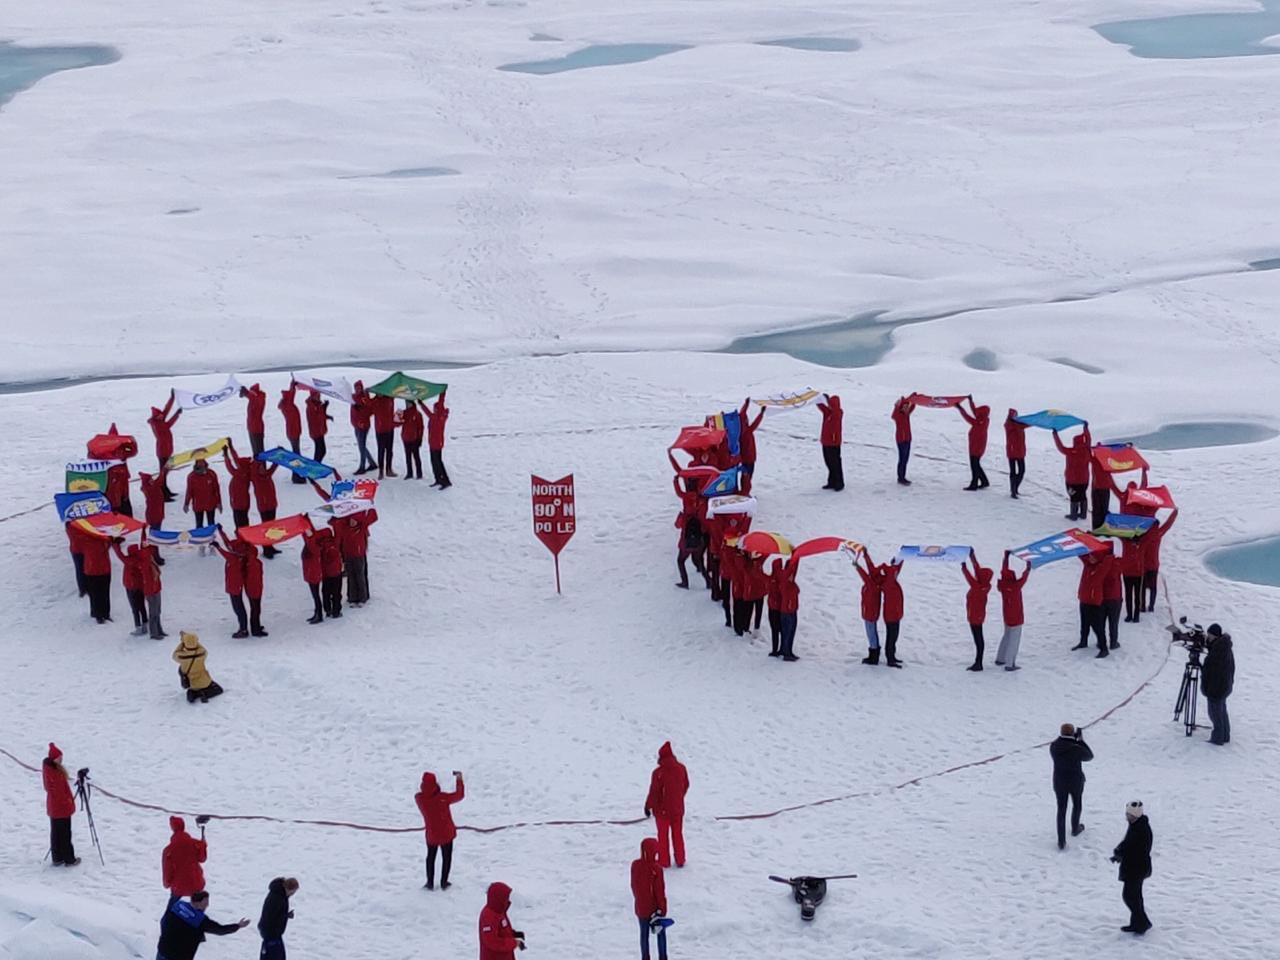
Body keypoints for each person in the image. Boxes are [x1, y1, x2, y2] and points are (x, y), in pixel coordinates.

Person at [156, 891, 249, 960]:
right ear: (197, 903)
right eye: (205, 903)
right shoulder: (200, 920)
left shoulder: (177, 906)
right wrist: (238, 926)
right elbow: (220, 930)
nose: (207, 906)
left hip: (162, 951)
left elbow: (163, 921)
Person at [415, 771, 464, 889]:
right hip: (446, 834)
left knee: (430, 858)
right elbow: (459, 795)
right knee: (446, 858)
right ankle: (444, 882)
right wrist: (459, 779)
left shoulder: (419, 798)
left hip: (431, 834)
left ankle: (429, 882)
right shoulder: (443, 798)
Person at [645, 742, 690, 869]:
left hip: (662, 811)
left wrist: (648, 806)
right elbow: (686, 785)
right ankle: (680, 859)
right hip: (678, 809)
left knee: (663, 836)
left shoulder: (658, 773)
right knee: (678, 834)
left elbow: (654, 792)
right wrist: (679, 797)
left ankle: (664, 861)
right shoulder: (682, 768)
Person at [1110, 802, 1153, 935]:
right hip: (1138, 867)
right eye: (1126, 814)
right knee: (1135, 896)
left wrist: (1119, 853)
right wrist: (1119, 854)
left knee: (1129, 896)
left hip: (1136, 869)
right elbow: (1128, 844)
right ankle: (1137, 923)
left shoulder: (1139, 829)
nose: (1127, 817)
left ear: (1135, 815)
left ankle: (1143, 922)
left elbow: (1131, 847)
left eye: (1129, 815)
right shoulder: (1137, 825)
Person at [1049, 723, 1093, 850]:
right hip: (1075, 781)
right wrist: (1080, 740)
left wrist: (1071, 739)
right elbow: (1089, 756)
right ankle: (1075, 828)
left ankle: (1061, 841)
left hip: (1059, 782)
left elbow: (1060, 741)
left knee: (1061, 809)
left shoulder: (1054, 746)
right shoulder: (1076, 748)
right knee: (1077, 804)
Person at [212, 527, 256, 638]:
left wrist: (217, 545)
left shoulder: (234, 557)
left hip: (235, 585)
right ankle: (243, 627)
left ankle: (243, 628)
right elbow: (227, 544)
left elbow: (225, 550)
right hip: (235, 584)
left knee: (238, 607)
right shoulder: (242, 550)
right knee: (238, 606)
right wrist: (221, 532)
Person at [630, 838, 668, 960]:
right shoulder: (656, 869)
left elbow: (634, 885)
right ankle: (663, 957)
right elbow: (659, 891)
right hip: (654, 910)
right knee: (660, 934)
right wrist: (662, 909)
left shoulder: (635, 865)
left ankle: (645, 957)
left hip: (641, 908)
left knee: (643, 935)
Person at [43, 743, 78, 867]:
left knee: (56, 833)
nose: (61, 759)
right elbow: (59, 792)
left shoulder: (50, 770)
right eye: (59, 758)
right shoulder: (54, 773)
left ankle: (57, 857)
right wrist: (67, 802)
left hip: (54, 808)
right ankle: (69, 858)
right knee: (65, 834)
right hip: (61, 808)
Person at [333, 509, 377, 607]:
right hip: (348, 555)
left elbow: (373, 517)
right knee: (351, 577)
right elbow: (333, 522)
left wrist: (370, 506)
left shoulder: (362, 527)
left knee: (359, 576)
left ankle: (362, 597)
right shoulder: (345, 528)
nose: (353, 522)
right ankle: (352, 598)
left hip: (359, 555)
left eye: (355, 520)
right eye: (351, 520)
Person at [995, 551, 1030, 671]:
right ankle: (1010, 663)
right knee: (1014, 641)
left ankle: (1000, 658)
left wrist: (1006, 557)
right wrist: (1028, 567)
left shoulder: (1003, 585)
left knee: (1006, 636)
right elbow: (1024, 577)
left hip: (1007, 615)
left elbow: (1003, 570)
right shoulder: (1016, 586)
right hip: (1016, 616)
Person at [1201, 624, 1235, 745]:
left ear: (1214, 636)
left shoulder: (1218, 651)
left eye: (1209, 635)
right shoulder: (1224, 647)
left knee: (1215, 713)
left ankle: (1217, 738)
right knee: (1222, 711)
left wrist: (1209, 687)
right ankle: (1225, 735)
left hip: (1217, 688)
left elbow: (1212, 669)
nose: (1208, 638)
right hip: (1224, 686)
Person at [1141, 508, 1178, 612]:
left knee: (1142, 587)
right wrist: (1174, 513)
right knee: (1153, 587)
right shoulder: (1159, 533)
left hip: (1143, 565)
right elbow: (1168, 524)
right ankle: (1151, 606)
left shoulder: (1143, 535)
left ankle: (1142, 606)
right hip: (1154, 564)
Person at [961, 550, 992, 671]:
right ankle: (978, 661)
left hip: (975, 617)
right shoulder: (985, 584)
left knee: (978, 639)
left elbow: (969, 576)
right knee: (979, 639)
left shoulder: (977, 586)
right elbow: (977, 569)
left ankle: (978, 662)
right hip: (978, 615)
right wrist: (972, 556)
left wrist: (964, 567)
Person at [162, 817, 208, 900]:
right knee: (198, 908)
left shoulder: (168, 850)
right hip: (196, 884)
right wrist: (203, 844)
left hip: (178, 887)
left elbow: (167, 871)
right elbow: (202, 858)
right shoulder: (194, 843)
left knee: (171, 910)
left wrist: (167, 884)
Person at [148, 390, 182, 499]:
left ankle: (165, 490)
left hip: (167, 450)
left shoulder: (160, 420)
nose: (161, 417)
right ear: (155, 417)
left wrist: (172, 398)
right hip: (162, 452)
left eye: (161, 416)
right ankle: (162, 492)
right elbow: (169, 424)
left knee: (165, 472)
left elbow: (167, 409)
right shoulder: (157, 425)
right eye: (159, 416)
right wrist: (176, 414)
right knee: (163, 473)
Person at [1073, 553, 1108, 657]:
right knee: (1084, 624)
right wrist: (1078, 545)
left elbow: (1107, 561)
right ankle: (1083, 642)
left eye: (1094, 557)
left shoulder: (1101, 568)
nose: (1091, 558)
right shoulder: (1087, 565)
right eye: (1090, 557)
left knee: (1097, 626)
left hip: (1094, 602)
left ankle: (1103, 648)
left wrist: (1108, 554)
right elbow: (1081, 555)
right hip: (1084, 599)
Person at [1053, 424, 1091, 520]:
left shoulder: (1070, 451)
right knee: (1083, 495)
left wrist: (1055, 434)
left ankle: (1073, 515)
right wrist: (1085, 428)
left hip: (1072, 481)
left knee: (1073, 496)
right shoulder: (1087, 450)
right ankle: (1083, 514)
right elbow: (1088, 439)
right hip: (1084, 480)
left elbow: (1060, 446)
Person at [173, 632, 224, 703]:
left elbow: (174, 654)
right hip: (205, 681)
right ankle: (204, 694)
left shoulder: (181, 656)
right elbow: (201, 647)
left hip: (192, 684)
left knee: (192, 687)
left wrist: (183, 642)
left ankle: (193, 694)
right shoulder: (202, 653)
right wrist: (194, 641)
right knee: (219, 689)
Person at [478, 882, 525, 959]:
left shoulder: (500, 911)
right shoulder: (488, 916)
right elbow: (492, 941)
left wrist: (513, 934)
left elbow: (502, 929)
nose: (508, 900)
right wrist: (514, 943)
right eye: (506, 898)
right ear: (499, 898)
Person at [257, 877, 299, 960]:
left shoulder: (281, 895)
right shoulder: (277, 898)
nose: (293, 894)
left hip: (275, 933)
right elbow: (269, 917)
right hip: (271, 934)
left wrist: (286, 915)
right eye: (293, 892)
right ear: (288, 889)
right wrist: (285, 916)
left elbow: (276, 914)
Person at [183, 458, 222, 542]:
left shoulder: (212, 474)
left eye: (203, 465)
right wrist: (186, 503)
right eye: (199, 466)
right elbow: (189, 491)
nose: (201, 468)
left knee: (211, 525)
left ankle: (212, 542)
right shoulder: (191, 477)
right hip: (198, 505)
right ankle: (200, 542)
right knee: (199, 526)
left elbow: (216, 490)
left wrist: (219, 503)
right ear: (196, 465)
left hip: (210, 504)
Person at [854, 550, 883, 665]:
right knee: (871, 633)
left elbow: (865, 575)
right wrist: (866, 556)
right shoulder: (874, 581)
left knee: (871, 634)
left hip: (870, 614)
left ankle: (874, 656)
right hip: (869, 613)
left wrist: (857, 567)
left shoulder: (872, 584)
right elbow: (870, 567)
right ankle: (874, 653)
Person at [248, 459, 281, 558]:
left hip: (272, 505)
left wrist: (278, 455)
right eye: (260, 468)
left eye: (263, 467)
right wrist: (256, 460)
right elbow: (253, 468)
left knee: (271, 528)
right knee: (266, 528)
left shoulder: (268, 475)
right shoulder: (255, 478)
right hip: (264, 507)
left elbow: (275, 465)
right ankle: (266, 549)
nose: (262, 469)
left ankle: (270, 546)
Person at [116, 541, 150, 636]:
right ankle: (145, 624)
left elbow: (119, 554)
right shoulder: (141, 561)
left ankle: (138, 627)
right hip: (140, 586)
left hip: (130, 587)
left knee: (134, 608)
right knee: (142, 606)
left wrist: (115, 544)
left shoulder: (128, 561)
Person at [957, 397, 991, 490]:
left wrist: (961, 409)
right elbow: (975, 411)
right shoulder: (983, 418)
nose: (977, 412)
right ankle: (984, 481)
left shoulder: (980, 421)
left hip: (976, 447)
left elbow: (969, 419)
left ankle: (974, 483)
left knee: (974, 465)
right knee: (976, 464)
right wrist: (970, 401)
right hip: (977, 446)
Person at [81, 530, 113, 623]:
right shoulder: (104, 538)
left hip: (94, 569)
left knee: (96, 593)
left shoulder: (85, 538)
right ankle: (103, 613)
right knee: (103, 592)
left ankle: (99, 613)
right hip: (101, 568)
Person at [736, 397, 766, 494]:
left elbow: (744, 414)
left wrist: (747, 404)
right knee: (747, 476)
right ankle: (745, 492)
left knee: (746, 476)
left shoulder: (743, 431)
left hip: (747, 458)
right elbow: (744, 414)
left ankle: (745, 492)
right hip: (748, 459)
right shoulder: (746, 431)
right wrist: (761, 413)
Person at [880, 557, 905, 667]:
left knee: (894, 637)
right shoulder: (889, 583)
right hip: (891, 616)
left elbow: (896, 570)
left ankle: (892, 656)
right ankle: (890, 659)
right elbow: (894, 571)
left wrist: (902, 559)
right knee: (891, 638)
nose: (896, 574)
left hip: (895, 615)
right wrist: (896, 563)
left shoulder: (891, 580)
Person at [278, 383, 305, 484]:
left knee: (296, 454)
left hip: (293, 432)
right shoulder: (288, 405)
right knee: (296, 455)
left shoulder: (287, 405)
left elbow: (291, 394)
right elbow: (291, 394)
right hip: (293, 432)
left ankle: (297, 475)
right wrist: (292, 385)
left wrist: (292, 385)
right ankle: (296, 476)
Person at [223, 444, 254, 531]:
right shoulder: (248, 473)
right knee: (244, 520)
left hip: (237, 502)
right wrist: (231, 448)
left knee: (239, 521)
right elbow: (235, 459)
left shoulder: (237, 473)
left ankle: (241, 536)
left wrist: (226, 454)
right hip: (245, 502)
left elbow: (230, 463)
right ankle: (245, 535)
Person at [424, 391, 452, 489]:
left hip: (437, 444)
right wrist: (419, 402)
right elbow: (426, 410)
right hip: (432, 443)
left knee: (439, 462)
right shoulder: (432, 417)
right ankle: (438, 479)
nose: (434, 409)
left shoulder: (441, 417)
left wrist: (442, 392)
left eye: (436, 408)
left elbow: (441, 401)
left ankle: (446, 481)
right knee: (433, 462)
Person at [816, 394, 844, 491]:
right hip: (826, 442)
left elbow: (834, 411)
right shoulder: (828, 413)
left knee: (835, 463)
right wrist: (817, 399)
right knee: (829, 463)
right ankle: (831, 482)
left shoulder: (837, 413)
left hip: (834, 443)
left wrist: (827, 401)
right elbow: (821, 407)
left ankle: (839, 482)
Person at [776, 555, 801, 661]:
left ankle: (788, 651)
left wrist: (796, 556)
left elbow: (794, 569)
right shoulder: (786, 582)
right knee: (787, 632)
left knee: (791, 632)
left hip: (792, 609)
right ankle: (786, 653)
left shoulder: (789, 580)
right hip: (787, 611)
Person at [350, 380, 377, 475]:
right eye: (356, 388)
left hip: (363, 425)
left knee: (361, 446)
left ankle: (362, 467)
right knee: (361, 446)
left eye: (359, 388)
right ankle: (372, 463)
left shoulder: (364, 398)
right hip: (356, 425)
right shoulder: (353, 397)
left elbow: (370, 409)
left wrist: (360, 408)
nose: (357, 389)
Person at [300, 528, 325, 624]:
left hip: (313, 575)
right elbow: (307, 537)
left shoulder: (312, 547)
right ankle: (317, 613)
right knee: (316, 595)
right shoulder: (312, 545)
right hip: (312, 574)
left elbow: (308, 538)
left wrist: (304, 528)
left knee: (316, 596)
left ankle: (319, 614)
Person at [318, 527, 344, 619]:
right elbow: (339, 532)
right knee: (336, 593)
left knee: (326, 592)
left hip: (326, 574)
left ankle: (327, 609)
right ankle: (336, 611)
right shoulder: (335, 543)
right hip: (336, 573)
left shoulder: (320, 546)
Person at [1101, 545, 1123, 650]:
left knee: (1101, 622)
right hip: (1115, 598)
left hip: (1102, 598)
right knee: (1113, 623)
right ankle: (1113, 642)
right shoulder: (1117, 563)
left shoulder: (1099, 564)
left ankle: (1101, 641)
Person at [371, 390, 397, 478]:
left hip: (389, 429)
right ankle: (381, 471)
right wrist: (366, 393)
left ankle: (389, 469)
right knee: (381, 451)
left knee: (389, 450)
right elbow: (367, 404)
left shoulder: (389, 398)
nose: (380, 393)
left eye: (381, 391)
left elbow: (395, 390)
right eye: (378, 392)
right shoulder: (374, 401)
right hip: (380, 430)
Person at [1120, 532, 1145, 623]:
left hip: (1136, 574)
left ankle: (1135, 615)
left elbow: (1152, 535)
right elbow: (1117, 532)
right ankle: (1130, 615)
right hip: (1128, 573)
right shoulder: (1125, 542)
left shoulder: (1142, 543)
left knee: (1136, 596)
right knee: (1129, 595)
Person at [676, 512, 705, 590]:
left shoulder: (684, 517)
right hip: (698, 543)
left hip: (686, 545)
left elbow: (677, 525)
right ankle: (708, 580)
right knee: (699, 561)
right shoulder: (699, 515)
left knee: (680, 561)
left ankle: (684, 582)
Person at [1004, 408, 1027, 498]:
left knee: (1022, 471)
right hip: (1012, 451)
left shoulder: (1019, 424)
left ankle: (1015, 488)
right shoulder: (1009, 425)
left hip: (1020, 451)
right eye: (1014, 415)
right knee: (1013, 472)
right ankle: (1013, 491)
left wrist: (1035, 421)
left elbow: (1026, 425)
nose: (1015, 416)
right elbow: (1020, 427)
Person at [399, 399, 424, 480]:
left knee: (416, 456)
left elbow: (421, 428)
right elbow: (397, 423)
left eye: (408, 403)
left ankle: (419, 473)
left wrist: (420, 439)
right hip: (406, 438)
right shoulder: (404, 413)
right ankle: (409, 473)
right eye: (406, 403)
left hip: (414, 439)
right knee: (408, 457)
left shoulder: (417, 414)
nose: (407, 404)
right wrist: (397, 416)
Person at [240, 383, 268, 456]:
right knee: (255, 451)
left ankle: (261, 466)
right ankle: (257, 465)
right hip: (252, 428)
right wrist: (244, 392)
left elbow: (253, 396)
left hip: (257, 429)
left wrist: (246, 392)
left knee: (259, 452)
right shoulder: (253, 399)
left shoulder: (259, 399)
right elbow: (250, 396)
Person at [891, 395, 913, 485]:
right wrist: (896, 406)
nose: (907, 408)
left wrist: (913, 397)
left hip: (908, 439)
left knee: (906, 459)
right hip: (901, 440)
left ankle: (903, 476)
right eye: (905, 407)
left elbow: (914, 405)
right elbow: (893, 416)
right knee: (902, 459)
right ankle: (900, 478)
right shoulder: (898, 416)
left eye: (907, 407)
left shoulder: (907, 414)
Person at [305, 390, 331, 465]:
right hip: (315, 432)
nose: (318, 397)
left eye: (319, 395)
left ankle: (315, 467)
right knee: (321, 451)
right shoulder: (311, 406)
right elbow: (316, 418)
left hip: (320, 431)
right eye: (316, 395)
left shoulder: (317, 404)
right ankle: (314, 468)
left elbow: (320, 415)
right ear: (312, 396)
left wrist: (324, 407)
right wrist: (324, 408)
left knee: (321, 451)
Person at [140, 469, 170, 535]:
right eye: (150, 480)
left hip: (155, 513)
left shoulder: (149, 487)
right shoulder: (152, 488)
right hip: (155, 515)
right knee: (155, 531)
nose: (152, 480)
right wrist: (165, 470)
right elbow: (160, 480)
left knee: (155, 529)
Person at [66, 521, 89, 598]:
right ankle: (87, 587)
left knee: (79, 569)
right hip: (84, 548)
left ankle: (82, 589)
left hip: (75, 549)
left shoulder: (69, 525)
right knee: (85, 568)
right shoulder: (82, 524)